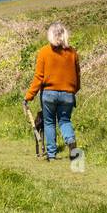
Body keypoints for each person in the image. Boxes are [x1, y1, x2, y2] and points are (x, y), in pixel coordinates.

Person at [23, 22, 81, 161]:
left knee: (49, 122)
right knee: (65, 121)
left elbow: (38, 77)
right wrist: (74, 90)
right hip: (68, 94)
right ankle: (71, 142)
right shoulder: (72, 52)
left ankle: (51, 154)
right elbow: (77, 75)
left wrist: (28, 97)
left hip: (49, 94)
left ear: (50, 35)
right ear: (65, 35)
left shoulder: (44, 52)